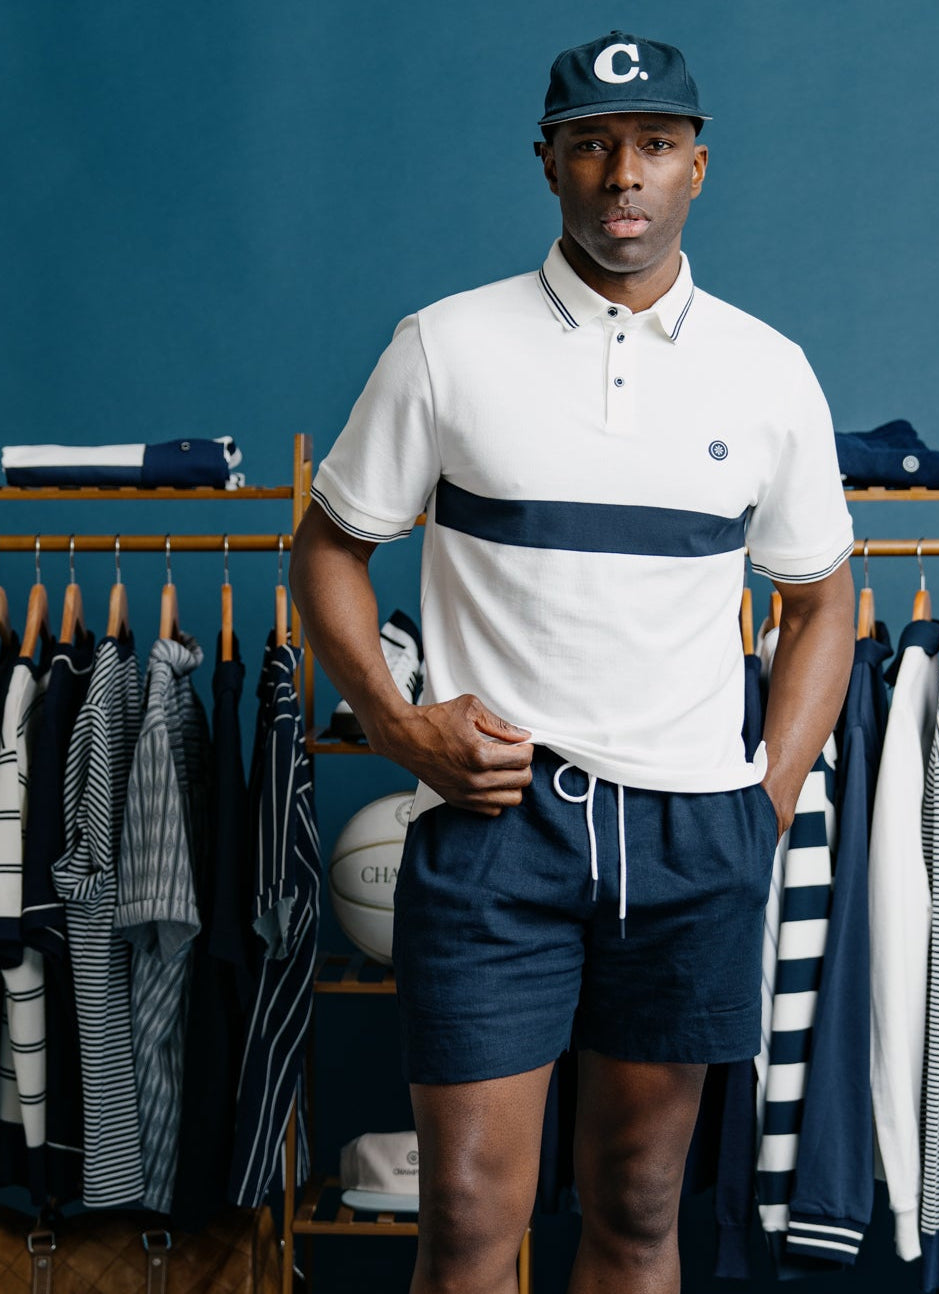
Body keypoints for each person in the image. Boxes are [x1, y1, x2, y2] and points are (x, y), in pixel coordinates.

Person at [290, 30, 854, 1294]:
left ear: (697, 166)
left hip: (692, 836)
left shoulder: (769, 373)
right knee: (471, 1217)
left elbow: (824, 602)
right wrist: (392, 721)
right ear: (547, 163)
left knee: (642, 1209)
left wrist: (762, 800)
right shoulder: (444, 345)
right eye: (593, 145)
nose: (624, 175)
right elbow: (326, 548)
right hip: (501, 830)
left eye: (653, 145)